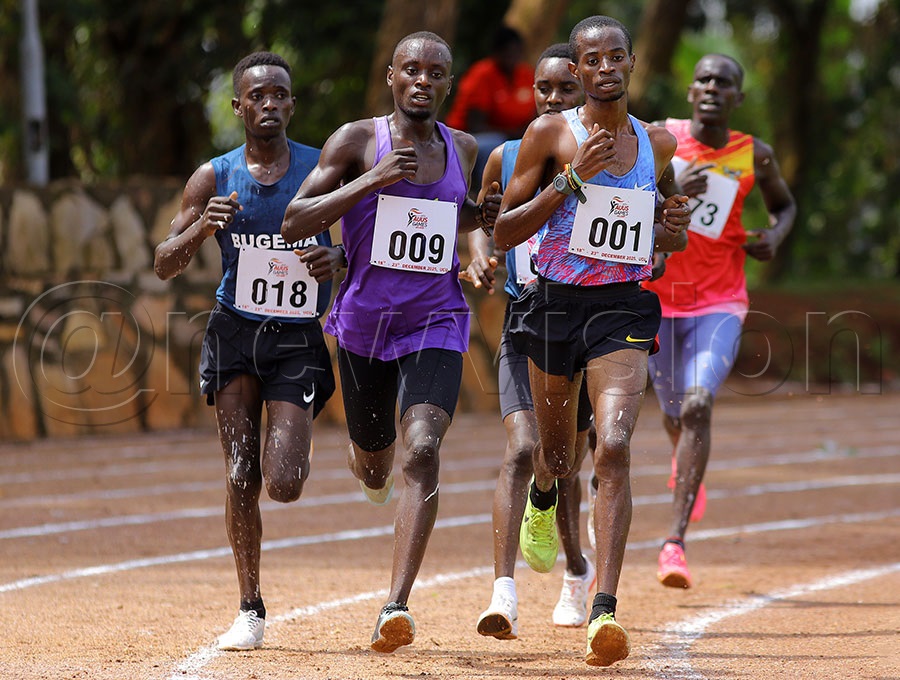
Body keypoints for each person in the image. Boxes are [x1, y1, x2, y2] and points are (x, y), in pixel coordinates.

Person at [281, 32, 500, 654]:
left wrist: (480, 251)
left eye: (436, 71)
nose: (423, 80)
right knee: (374, 460)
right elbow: (297, 218)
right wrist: (372, 180)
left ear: (450, 83)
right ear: (392, 77)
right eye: (412, 70)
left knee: (423, 449)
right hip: (362, 326)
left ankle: (395, 604)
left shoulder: (460, 146)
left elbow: (462, 221)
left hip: (436, 319)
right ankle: (369, 468)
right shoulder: (356, 140)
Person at [492, 16, 690, 666]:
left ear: (631, 62)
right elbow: (504, 233)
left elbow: (665, 236)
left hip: (621, 310)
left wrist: (673, 223)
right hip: (553, 307)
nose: (605, 67)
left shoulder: (654, 142)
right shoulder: (552, 133)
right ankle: (546, 495)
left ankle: (603, 609)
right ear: (576, 70)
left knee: (615, 446)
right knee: (556, 456)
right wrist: (568, 181)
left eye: (616, 56)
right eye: (592, 59)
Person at [153, 51, 343, 651]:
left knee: (281, 482)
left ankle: (304, 457)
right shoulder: (215, 176)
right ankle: (250, 607)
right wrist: (198, 229)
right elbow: (163, 263)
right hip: (235, 331)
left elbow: (361, 247)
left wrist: (337, 260)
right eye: (256, 96)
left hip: (295, 339)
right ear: (238, 107)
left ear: (291, 103)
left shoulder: (321, 169)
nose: (268, 105)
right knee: (240, 472)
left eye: (279, 94)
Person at [644, 53, 796, 589]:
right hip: (656, 297)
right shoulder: (659, 138)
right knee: (672, 411)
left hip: (720, 300)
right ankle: (684, 461)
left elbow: (785, 207)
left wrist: (774, 237)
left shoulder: (756, 155)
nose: (712, 87)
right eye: (704, 79)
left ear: (738, 97)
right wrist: (680, 188)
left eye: (724, 82)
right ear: (690, 91)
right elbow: (631, 197)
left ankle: (674, 543)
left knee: (699, 403)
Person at [463, 43, 597, 640]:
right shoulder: (505, 155)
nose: (552, 100)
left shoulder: (606, 160)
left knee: (563, 460)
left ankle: (575, 569)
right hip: (526, 322)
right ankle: (503, 593)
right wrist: (481, 259)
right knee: (522, 450)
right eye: (544, 90)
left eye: (566, 90)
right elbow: (479, 223)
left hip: (590, 325)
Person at [445, 25, 536, 197]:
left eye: (517, 52)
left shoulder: (526, 75)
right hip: (468, 137)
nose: (513, 57)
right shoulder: (482, 74)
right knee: (494, 145)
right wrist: (513, 135)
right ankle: (484, 194)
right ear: (497, 52)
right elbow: (475, 124)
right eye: (508, 52)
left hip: (512, 137)